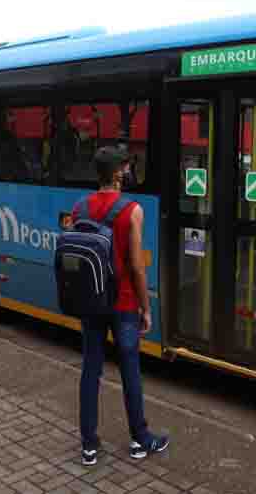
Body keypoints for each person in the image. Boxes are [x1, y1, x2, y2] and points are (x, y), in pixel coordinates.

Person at [70, 146, 168, 466]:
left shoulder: (79, 206)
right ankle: (141, 440)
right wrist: (146, 307)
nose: (127, 172)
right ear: (116, 174)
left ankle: (89, 445)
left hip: (91, 301)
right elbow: (137, 266)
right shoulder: (132, 210)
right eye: (124, 168)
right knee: (130, 372)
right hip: (124, 303)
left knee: (90, 370)